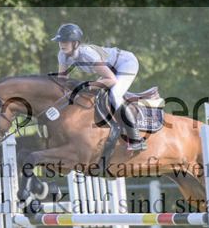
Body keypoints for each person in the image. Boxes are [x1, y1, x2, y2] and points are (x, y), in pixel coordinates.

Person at [52, 23, 147, 152]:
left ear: (75, 43)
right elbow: (62, 81)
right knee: (94, 95)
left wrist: (86, 85)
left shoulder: (88, 56)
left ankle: (137, 139)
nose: (61, 44)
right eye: (59, 41)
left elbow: (111, 80)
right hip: (110, 69)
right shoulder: (62, 55)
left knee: (114, 96)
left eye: (64, 41)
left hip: (126, 63)